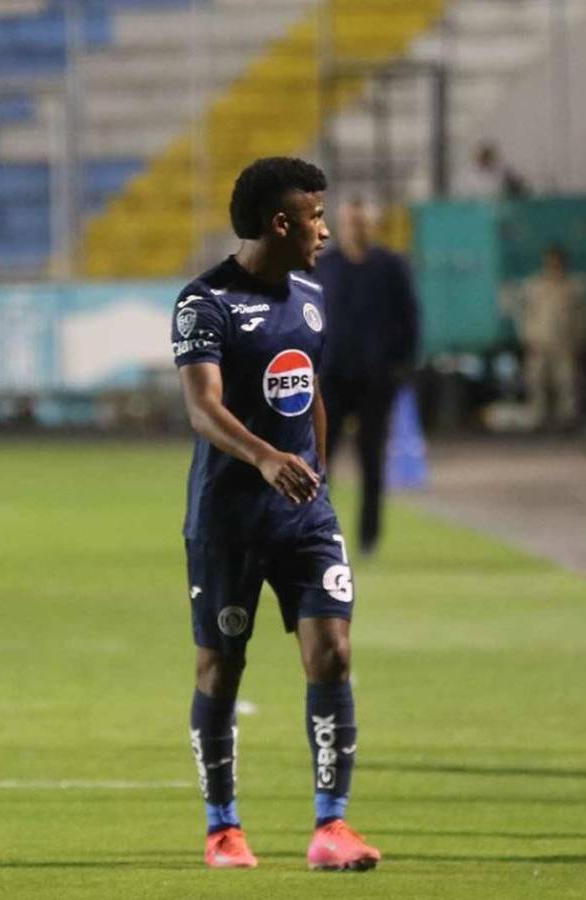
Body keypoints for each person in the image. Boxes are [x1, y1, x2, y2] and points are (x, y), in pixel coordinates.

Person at [170, 157, 380, 872]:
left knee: (334, 653)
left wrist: (315, 471)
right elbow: (203, 408)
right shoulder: (206, 303)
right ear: (280, 223)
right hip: (228, 520)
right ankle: (223, 829)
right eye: (316, 217)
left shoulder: (312, 298)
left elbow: (310, 387)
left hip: (303, 517)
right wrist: (264, 457)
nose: (325, 229)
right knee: (219, 670)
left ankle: (331, 827)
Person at [314, 199, 420, 556]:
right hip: (332, 378)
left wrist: (399, 368)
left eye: (362, 223)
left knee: (371, 459)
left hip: (376, 381)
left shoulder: (390, 267)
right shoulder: (324, 268)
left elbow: (410, 320)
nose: (356, 229)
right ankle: (314, 532)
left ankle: (368, 539)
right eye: (350, 223)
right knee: (320, 461)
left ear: (372, 226)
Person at [515, 244, 586, 429]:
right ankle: (538, 418)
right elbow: (524, 314)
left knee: (566, 382)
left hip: (564, 343)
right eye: (550, 262)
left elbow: (581, 318)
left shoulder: (572, 288)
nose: (553, 266)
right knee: (536, 381)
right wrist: (526, 337)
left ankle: (568, 418)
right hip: (539, 342)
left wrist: (580, 341)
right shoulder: (534, 286)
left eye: (557, 262)